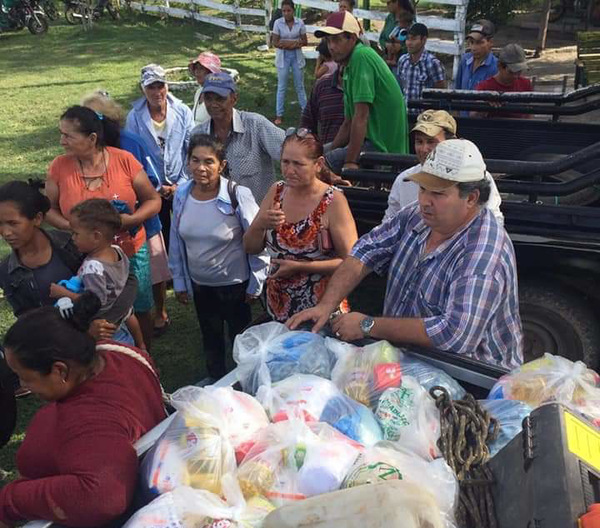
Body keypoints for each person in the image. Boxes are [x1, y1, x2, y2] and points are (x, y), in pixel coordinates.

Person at [288, 139, 524, 370]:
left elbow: (454, 335)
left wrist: (368, 325)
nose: (424, 201)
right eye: (422, 189)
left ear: (471, 198)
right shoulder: (416, 216)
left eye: (438, 193)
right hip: (411, 361)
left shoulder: (482, 253)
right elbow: (365, 250)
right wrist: (327, 305)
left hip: (473, 380)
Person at [0, 293, 166, 527]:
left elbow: (104, 497)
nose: (22, 386)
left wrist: (9, 501)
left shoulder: (91, 421)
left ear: (60, 371)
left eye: (25, 377)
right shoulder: (116, 352)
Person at [45, 105, 162, 348]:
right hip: (83, 254)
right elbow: (48, 209)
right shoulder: (59, 167)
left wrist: (131, 220)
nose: (62, 141)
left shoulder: (124, 160)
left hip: (127, 252)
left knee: (138, 305)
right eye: (61, 133)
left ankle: (143, 352)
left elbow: (154, 200)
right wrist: (73, 228)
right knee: (95, 310)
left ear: (92, 138)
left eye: (68, 135)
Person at [169, 134, 269, 381]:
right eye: (195, 160)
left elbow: (258, 239)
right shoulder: (182, 195)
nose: (200, 168)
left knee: (240, 341)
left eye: (208, 161)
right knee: (210, 338)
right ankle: (216, 385)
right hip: (201, 286)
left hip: (236, 286)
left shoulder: (238, 195)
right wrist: (180, 282)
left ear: (222, 165)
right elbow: (176, 241)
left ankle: (245, 384)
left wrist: (256, 284)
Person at [82, 90, 172, 338]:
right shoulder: (81, 153)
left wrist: (131, 206)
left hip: (142, 225)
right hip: (105, 237)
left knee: (153, 273)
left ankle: (160, 312)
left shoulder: (131, 142)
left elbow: (154, 181)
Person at [244, 128, 358, 322]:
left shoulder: (333, 201)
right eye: (285, 162)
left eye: (298, 164)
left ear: (318, 164)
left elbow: (352, 262)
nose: (289, 170)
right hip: (278, 306)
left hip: (320, 310)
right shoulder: (277, 191)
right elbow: (250, 246)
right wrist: (260, 224)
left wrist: (300, 266)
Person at [0, 180, 125, 342]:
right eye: (0, 224)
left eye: (13, 223)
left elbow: (123, 284)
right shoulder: (7, 271)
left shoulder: (73, 244)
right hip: (57, 348)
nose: (5, 232)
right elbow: (28, 322)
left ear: (37, 218)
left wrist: (103, 322)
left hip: (104, 337)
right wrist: (81, 333)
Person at [315, 11, 409, 176]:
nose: (331, 46)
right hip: (372, 141)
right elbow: (348, 123)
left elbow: (361, 117)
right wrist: (325, 152)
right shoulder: (348, 66)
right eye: (328, 40)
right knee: (318, 159)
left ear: (352, 38)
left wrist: (350, 162)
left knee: (318, 169)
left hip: (382, 147)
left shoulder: (361, 57)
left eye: (336, 39)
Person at [48, 199, 146, 349]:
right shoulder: (117, 251)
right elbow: (128, 311)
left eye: (75, 233)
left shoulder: (93, 268)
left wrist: (63, 293)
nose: (72, 238)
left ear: (96, 236)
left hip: (104, 334)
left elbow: (95, 303)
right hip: (122, 324)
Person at [383, 109, 503, 224]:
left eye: (431, 142)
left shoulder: (476, 177)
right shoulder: (404, 179)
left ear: (452, 143)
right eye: (419, 141)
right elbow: (388, 225)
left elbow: (494, 222)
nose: (424, 149)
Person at [125, 64, 194, 254]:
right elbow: (134, 157)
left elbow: (192, 149)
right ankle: (168, 271)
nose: (157, 92)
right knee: (161, 230)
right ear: (143, 89)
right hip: (151, 186)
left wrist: (182, 182)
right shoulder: (135, 117)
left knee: (186, 228)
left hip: (182, 182)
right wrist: (155, 186)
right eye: (151, 87)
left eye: (160, 86)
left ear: (167, 86)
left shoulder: (182, 112)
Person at [192, 72, 286, 203]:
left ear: (234, 99)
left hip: (259, 215)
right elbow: (191, 176)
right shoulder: (197, 135)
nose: (213, 104)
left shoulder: (256, 125)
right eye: (208, 98)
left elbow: (289, 153)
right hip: (219, 215)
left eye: (220, 98)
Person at [272, 0, 308, 126]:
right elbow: (275, 42)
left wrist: (289, 44)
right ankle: (279, 114)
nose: (286, 13)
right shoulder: (278, 23)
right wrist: (292, 44)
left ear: (293, 10)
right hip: (283, 57)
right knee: (282, 86)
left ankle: (306, 112)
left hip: (296, 56)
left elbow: (305, 41)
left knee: (300, 86)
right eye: (284, 11)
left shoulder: (300, 22)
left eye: (288, 10)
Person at [396, 23, 446, 112]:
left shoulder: (432, 63)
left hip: (425, 117)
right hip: (405, 113)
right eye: (407, 39)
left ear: (423, 40)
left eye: (414, 39)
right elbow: (401, 87)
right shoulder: (403, 61)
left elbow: (441, 93)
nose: (409, 43)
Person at [475, 43, 533, 118]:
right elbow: (474, 116)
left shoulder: (525, 84)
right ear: (500, 66)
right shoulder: (484, 87)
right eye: (511, 72)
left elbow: (529, 115)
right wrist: (485, 106)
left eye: (519, 71)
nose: (516, 76)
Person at [300, 64, 344, 145]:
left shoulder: (370, 86)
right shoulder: (322, 85)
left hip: (364, 154)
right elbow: (307, 124)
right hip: (327, 153)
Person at [454, 20, 497, 91]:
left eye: (479, 43)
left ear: (490, 42)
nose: (473, 48)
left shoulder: (496, 67)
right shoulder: (465, 60)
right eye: (471, 42)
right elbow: (457, 88)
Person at [189, 51, 222, 125]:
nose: (197, 72)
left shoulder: (218, 95)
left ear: (210, 72)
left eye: (201, 69)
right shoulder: (199, 92)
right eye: (196, 68)